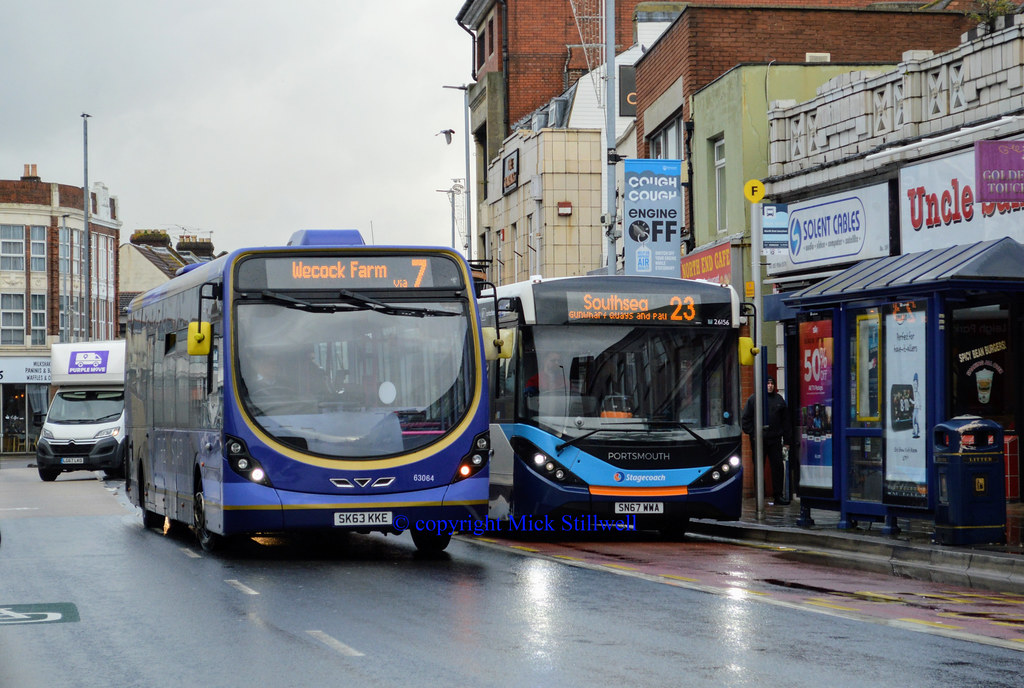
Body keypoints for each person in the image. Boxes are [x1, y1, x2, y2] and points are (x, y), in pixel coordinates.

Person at [741, 375, 792, 505]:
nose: (770, 386)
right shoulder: (753, 399)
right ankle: (760, 495)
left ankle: (778, 495)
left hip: (775, 439)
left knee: (778, 467)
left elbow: (786, 421)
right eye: (768, 383)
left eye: (772, 384)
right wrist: (753, 433)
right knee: (759, 467)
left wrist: (787, 440)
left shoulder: (779, 400)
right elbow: (745, 420)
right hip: (759, 440)